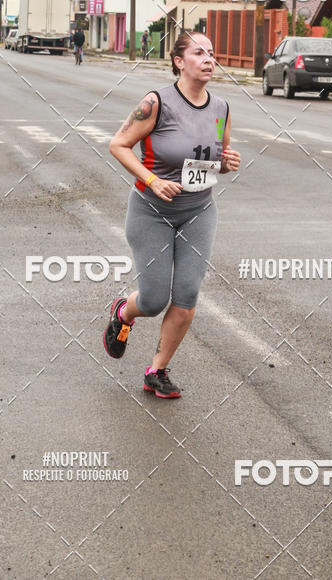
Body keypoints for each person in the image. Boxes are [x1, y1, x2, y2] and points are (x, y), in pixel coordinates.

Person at [104, 31, 241, 398]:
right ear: (180, 61)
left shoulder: (221, 109)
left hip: (199, 211)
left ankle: (157, 371)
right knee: (153, 299)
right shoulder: (156, 103)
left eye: (211, 53)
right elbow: (118, 144)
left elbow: (216, 159)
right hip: (152, 210)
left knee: (186, 295)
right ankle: (124, 313)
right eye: (199, 53)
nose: (209, 59)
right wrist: (151, 179)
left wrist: (227, 163)